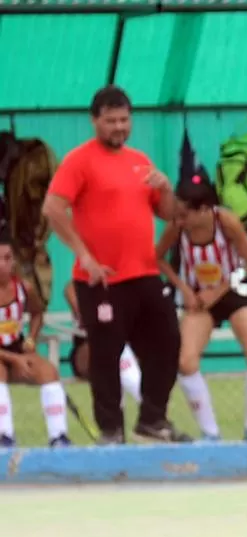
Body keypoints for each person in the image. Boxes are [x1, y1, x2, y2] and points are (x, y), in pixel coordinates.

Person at [41, 84, 190, 444]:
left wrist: (167, 188)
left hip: (144, 274)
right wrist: (84, 255)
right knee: (106, 356)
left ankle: (153, 418)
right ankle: (111, 431)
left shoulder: (140, 160)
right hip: (101, 280)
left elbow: (171, 215)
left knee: (168, 342)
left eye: (124, 120)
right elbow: (52, 208)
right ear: (95, 122)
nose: (119, 127)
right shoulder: (79, 160)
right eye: (110, 121)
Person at [156, 176, 247, 442]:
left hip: (233, 291)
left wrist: (219, 290)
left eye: (185, 214)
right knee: (185, 362)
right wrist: (183, 289)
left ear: (204, 209)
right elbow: (158, 258)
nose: (179, 219)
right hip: (197, 297)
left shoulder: (226, 221)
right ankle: (210, 433)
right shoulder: (177, 227)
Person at [0, 233, 71, 448]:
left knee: (49, 372)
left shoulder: (24, 288)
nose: (3, 264)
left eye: (8, 258)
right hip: (4, 358)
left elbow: (38, 314)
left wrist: (31, 339)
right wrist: (15, 361)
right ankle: (5, 436)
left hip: (16, 349)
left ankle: (58, 436)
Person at [64, 281, 143, 407]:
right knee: (111, 347)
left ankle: (117, 417)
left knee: (119, 351)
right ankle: (147, 407)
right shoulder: (77, 287)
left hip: (122, 348)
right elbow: (87, 315)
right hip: (87, 349)